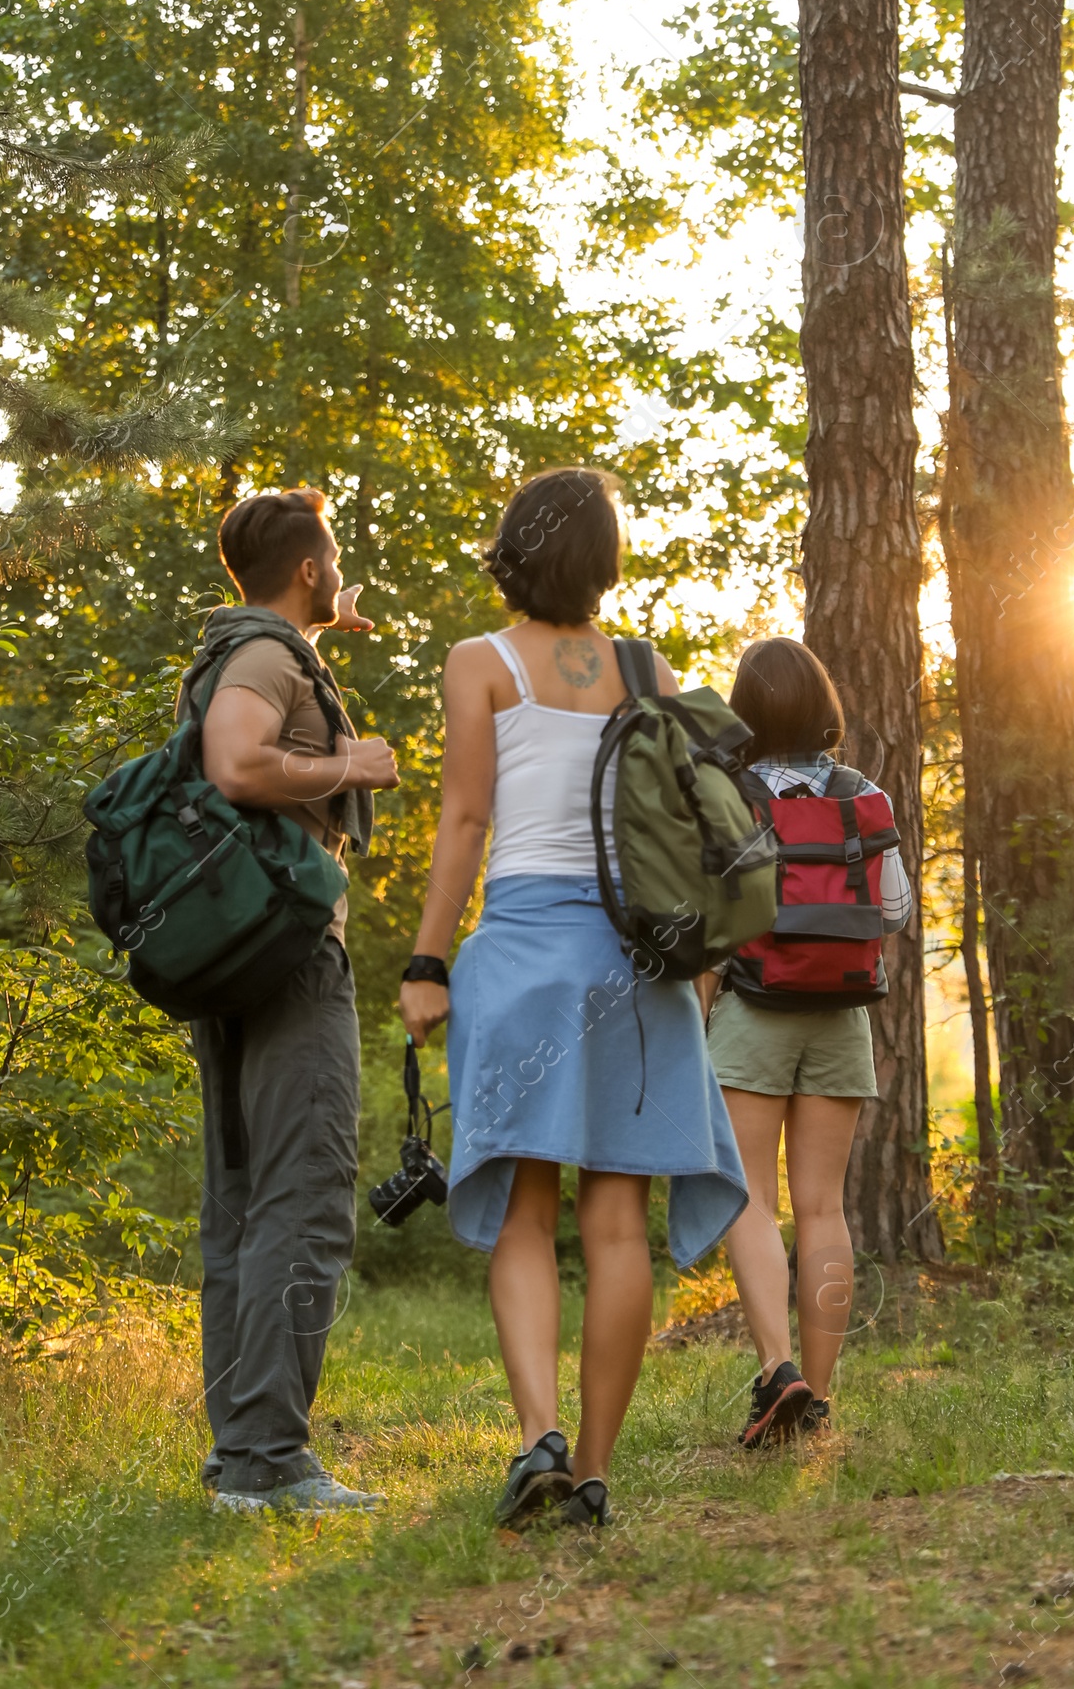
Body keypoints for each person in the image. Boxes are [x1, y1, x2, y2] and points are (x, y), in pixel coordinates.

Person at [399, 467, 747, 1531]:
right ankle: (592, 1471)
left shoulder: (481, 662)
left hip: (523, 960)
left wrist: (425, 963)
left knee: (522, 1211)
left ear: (514, 548)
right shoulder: (647, 667)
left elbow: (465, 822)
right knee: (617, 1227)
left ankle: (538, 1435)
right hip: (639, 966)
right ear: (603, 560)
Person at [191, 487, 398, 1514]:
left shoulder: (254, 644)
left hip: (232, 951)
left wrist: (329, 620)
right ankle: (268, 1457)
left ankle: (242, 1455)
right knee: (305, 1198)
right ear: (308, 570)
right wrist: (350, 763)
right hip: (287, 952)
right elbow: (237, 761)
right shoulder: (267, 659)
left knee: (241, 1206)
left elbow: (259, 716)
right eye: (332, 562)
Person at [701, 637, 913, 1449]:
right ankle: (817, 1401)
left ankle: (776, 1370)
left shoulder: (731, 794)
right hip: (842, 1015)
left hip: (755, 1008)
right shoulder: (867, 797)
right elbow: (890, 912)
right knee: (824, 1206)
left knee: (748, 1196)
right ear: (822, 705)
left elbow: (714, 920)